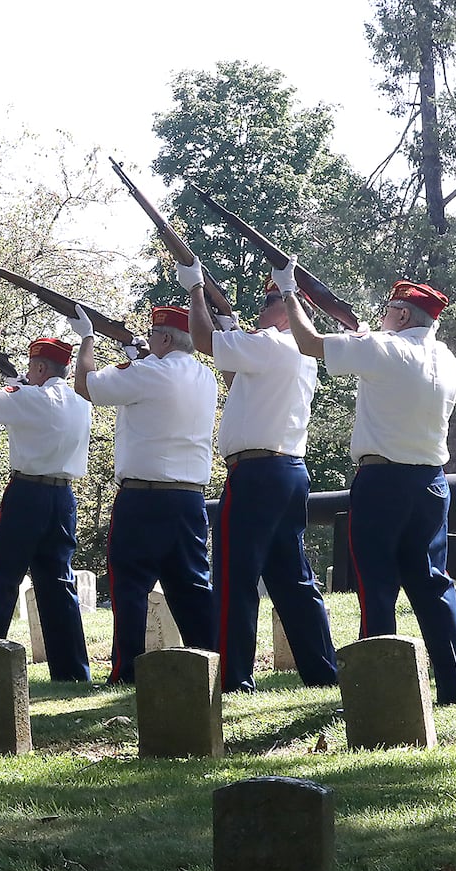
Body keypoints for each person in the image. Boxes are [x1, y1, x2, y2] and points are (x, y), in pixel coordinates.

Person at [275, 261, 456, 705]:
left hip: (383, 482)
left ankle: (382, 690)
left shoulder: (385, 349)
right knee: (433, 585)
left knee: (376, 585)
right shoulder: (445, 358)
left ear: (402, 316)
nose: (383, 316)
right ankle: (455, 688)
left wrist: (289, 291)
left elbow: (308, 344)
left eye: (389, 311)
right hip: (431, 483)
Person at [175, 260, 339, 694]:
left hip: (257, 473)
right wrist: (228, 320)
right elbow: (235, 378)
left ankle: (232, 677)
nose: (261, 310)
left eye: (269, 302)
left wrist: (195, 289)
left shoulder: (271, 342)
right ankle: (323, 671)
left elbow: (204, 341)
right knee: (293, 578)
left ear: (286, 310)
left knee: (234, 575)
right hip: (287, 471)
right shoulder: (296, 352)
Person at [73, 303, 217, 685]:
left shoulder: (149, 372)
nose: (150, 340)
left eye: (154, 335)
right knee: (192, 587)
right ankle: (213, 663)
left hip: (143, 496)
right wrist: (138, 356)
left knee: (130, 586)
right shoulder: (205, 376)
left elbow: (86, 385)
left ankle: (126, 671)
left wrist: (86, 338)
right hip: (189, 497)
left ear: (165, 338)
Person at [0, 330, 92, 682]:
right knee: (58, 582)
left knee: (2, 577)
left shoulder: (32, 398)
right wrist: (21, 388)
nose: (28, 374)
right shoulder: (79, 399)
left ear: (42, 367)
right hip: (63, 497)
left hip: (27, 494)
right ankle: (73, 670)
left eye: (32, 368)